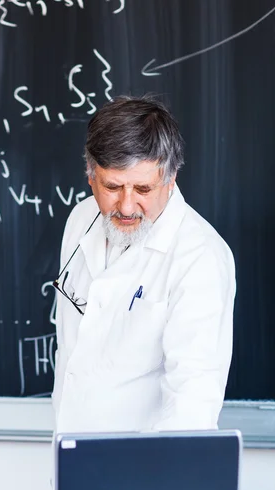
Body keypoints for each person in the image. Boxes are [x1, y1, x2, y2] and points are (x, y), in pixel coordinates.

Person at [52, 95, 236, 433]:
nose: (126, 206)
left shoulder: (200, 257)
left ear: (171, 177)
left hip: (143, 469)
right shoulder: (81, 219)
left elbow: (192, 403)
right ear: (90, 175)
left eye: (142, 188)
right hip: (69, 455)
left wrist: (152, 479)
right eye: (112, 186)